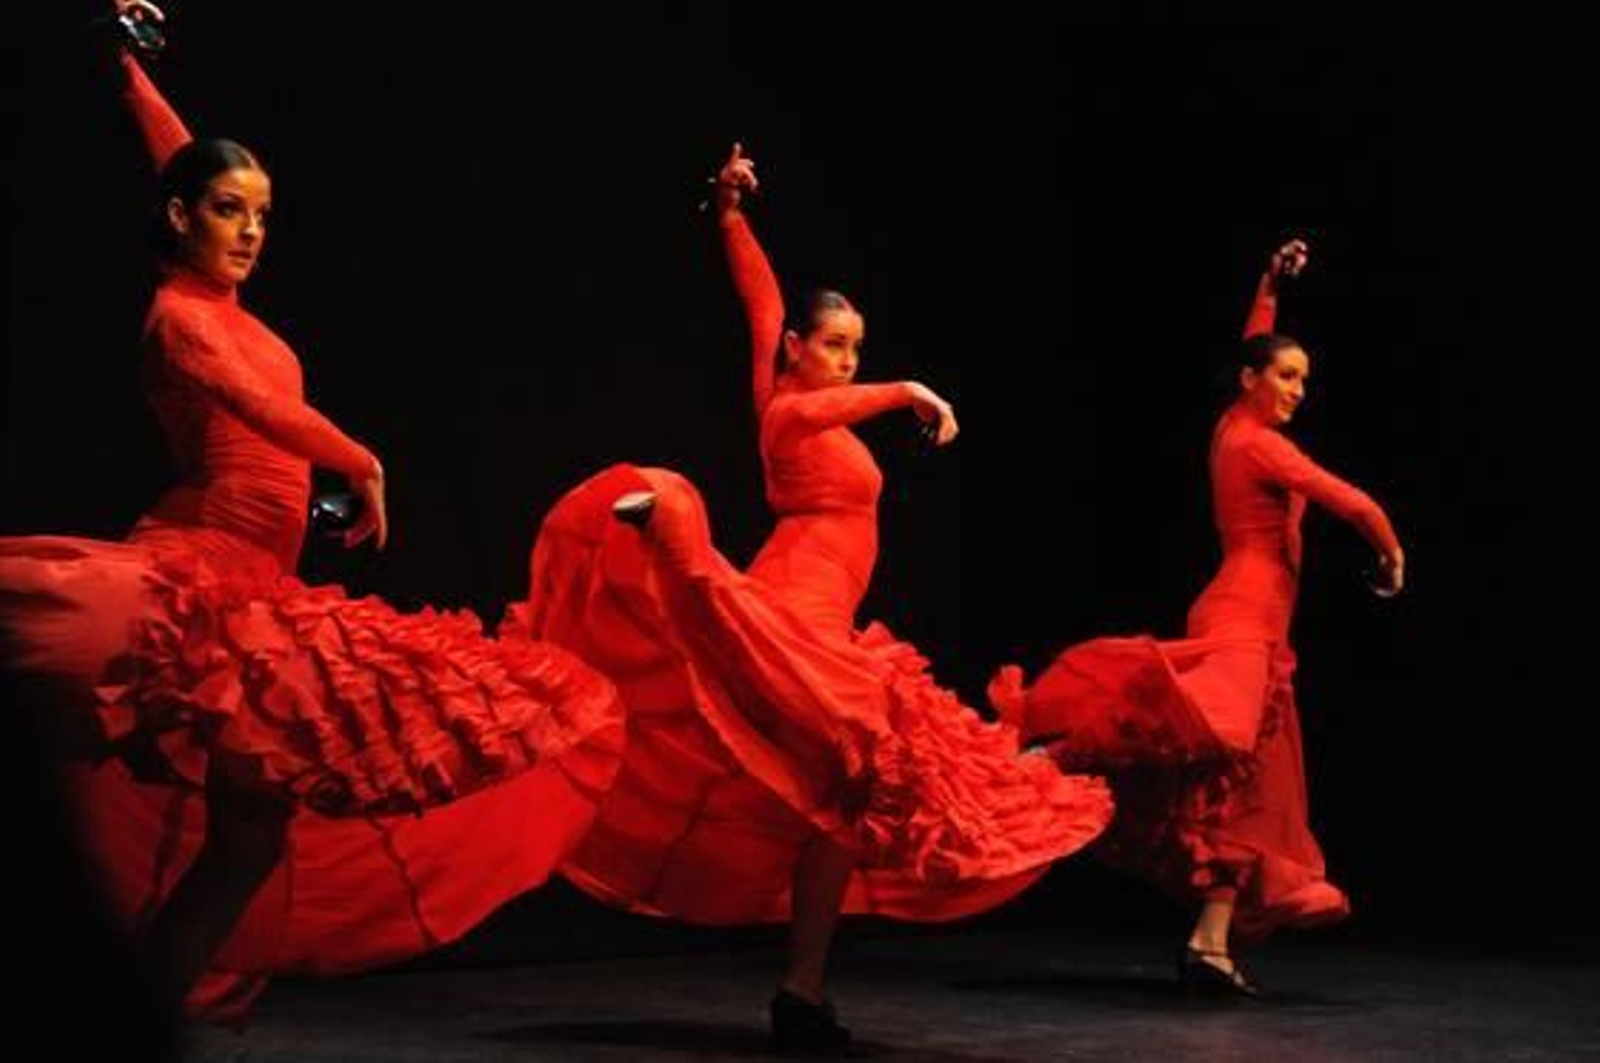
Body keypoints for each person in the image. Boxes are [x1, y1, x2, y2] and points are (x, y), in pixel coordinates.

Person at [0, 1, 623, 1019]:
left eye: (261, 214)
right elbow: (263, 410)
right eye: (227, 210)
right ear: (178, 218)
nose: (249, 230)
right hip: (194, 580)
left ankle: (137, 1013)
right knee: (98, 766)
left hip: (265, 587)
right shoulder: (176, 319)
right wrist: (361, 460)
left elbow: (181, 157)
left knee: (251, 836)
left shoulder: (233, 305)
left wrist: (121, 67)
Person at [506, 143, 1112, 1053]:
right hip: (796, 614)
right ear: (797, 349)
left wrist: (729, 213)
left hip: (827, 623)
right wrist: (904, 388)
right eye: (833, 344)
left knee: (842, 802)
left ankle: (804, 986)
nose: (844, 360)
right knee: (838, 784)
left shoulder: (789, 383)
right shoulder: (789, 409)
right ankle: (666, 516)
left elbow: (759, 297)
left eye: (856, 350)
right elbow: (805, 383)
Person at [991, 237, 1405, 994]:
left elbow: (1253, 343)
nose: (1297, 389)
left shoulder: (1233, 428)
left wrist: (1270, 286)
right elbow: (1353, 500)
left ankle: (1209, 942)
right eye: (1284, 375)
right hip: (1243, 618)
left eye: (1304, 379)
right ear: (1250, 381)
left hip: (1264, 626)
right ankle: (1060, 756)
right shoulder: (1260, 446)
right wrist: (1392, 551)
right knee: (1205, 734)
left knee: (1247, 793)